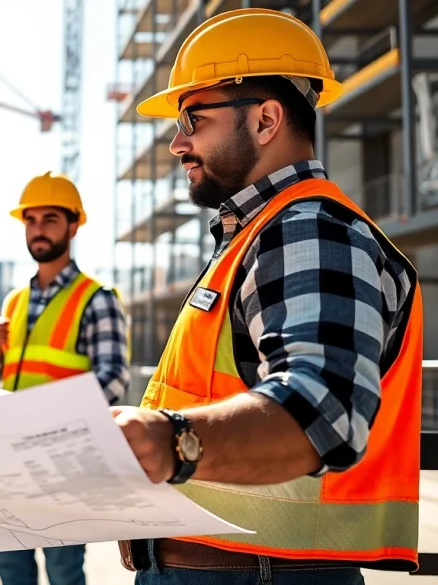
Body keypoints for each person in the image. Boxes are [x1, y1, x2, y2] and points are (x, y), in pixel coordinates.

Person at [111, 9, 423, 585]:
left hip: (259, 575)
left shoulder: (309, 230)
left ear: (266, 120)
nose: (178, 143)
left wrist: (168, 439)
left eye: (192, 118)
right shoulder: (261, 234)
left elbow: (322, 411)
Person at [0, 171, 130, 585]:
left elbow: (114, 380)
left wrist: (51, 423)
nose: (38, 230)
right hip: (10, 462)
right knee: (11, 569)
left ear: (74, 224)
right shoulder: (14, 301)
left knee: (64, 572)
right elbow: (3, 380)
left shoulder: (96, 299)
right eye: (31, 220)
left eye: (50, 219)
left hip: (62, 463)